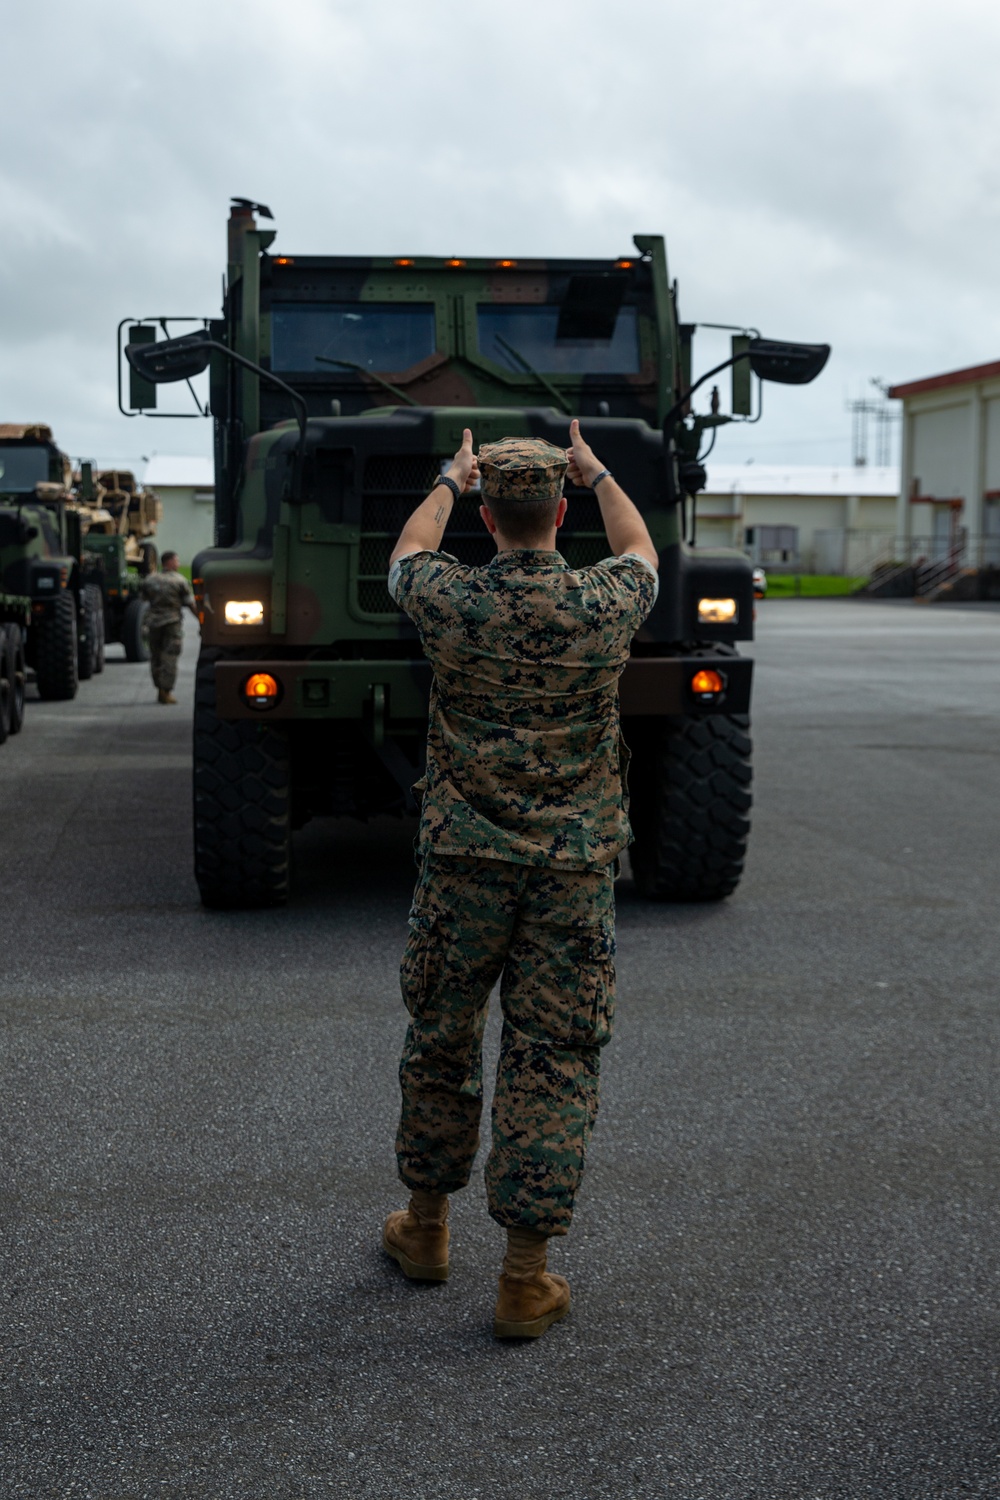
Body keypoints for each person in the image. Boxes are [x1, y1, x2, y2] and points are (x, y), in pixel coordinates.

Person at [382, 419, 659, 1339]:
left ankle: (425, 1232)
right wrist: (601, 468)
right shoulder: (602, 603)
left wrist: (449, 479)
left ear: (491, 516)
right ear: (562, 506)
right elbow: (641, 549)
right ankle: (524, 1280)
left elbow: (410, 549)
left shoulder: (451, 599)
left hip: (463, 860)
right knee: (553, 1056)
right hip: (571, 872)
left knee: (443, 1038)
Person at [139, 551, 198, 704]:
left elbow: (143, 599)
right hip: (172, 623)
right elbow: (190, 604)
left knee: (156, 656)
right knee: (170, 657)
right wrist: (202, 620)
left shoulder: (150, 580)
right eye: (176, 561)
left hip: (153, 623)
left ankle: (159, 688)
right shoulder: (180, 581)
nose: (178, 564)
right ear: (169, 562)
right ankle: (166, 691)